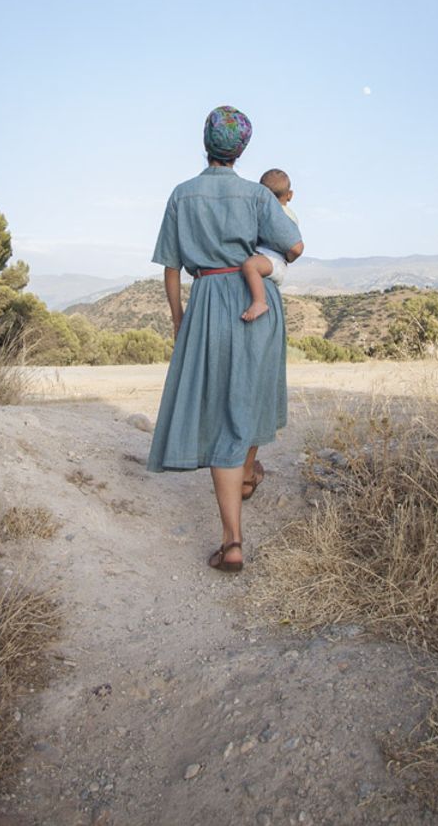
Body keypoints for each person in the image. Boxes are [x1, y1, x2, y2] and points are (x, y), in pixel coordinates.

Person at [147, 106, 304, 574]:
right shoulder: (257, 195)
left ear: (206, 143)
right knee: (250, 396)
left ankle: (232, 540)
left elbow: (171, 268)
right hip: (258, 306)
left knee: (220, 413)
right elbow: (293, 247)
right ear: (242, 149)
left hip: (209, 301)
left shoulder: (182, 195)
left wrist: (180, 319)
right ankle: (246, 474)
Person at [241, 168, 299, 322]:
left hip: (273, 261)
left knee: (249, 266)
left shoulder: (282, 215)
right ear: (290, 195)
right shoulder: (285, 212)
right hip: (270, 258)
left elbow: (294, 247)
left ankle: (260, 302)